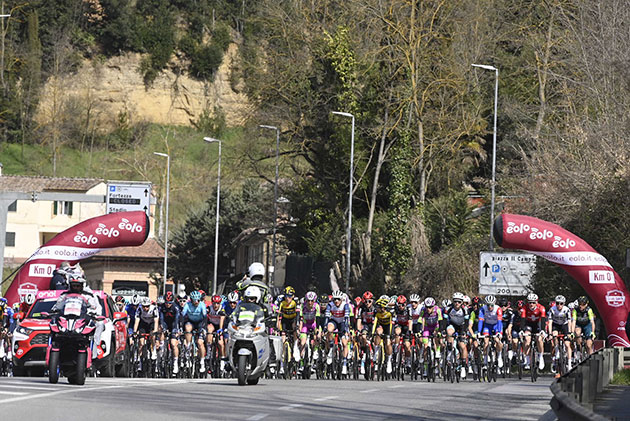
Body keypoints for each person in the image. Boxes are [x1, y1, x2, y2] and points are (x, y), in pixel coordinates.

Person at [325, 290, 351, 374]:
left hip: (342, 323)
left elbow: (347, 318)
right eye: (335, 299)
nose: (336, 301)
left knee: (344, 343)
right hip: (334, 321)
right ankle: (331, 348)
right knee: (329, 329)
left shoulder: (345, 305)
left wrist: (346, 330)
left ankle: (344, 363)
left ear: (341, 300)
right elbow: (327, 317)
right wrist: (325, 327)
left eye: (338, 299)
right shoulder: (330, 305)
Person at [181, 290, 208, 372]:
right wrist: (180, 327)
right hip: (191, 322)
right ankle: (188, 346)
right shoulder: (188, 305)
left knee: (200, 342)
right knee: (187, 327)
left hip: (200, 322)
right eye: (194, 300)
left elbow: (205, 318)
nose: (196, 302)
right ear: (191, 300)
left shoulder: (202, 305)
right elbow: (182, 316)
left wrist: (204, 328)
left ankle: (202, 362)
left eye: (198, 300)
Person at [520, 293, 546, 371]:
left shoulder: (541, 308)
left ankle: (541, 357)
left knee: (539, 339)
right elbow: (523, 320)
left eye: (533, 302)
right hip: (529, 324)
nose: (531, 304)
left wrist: (543, 330)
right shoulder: (524, 308)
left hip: (538, 324)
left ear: (536, 302)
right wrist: (522, 330)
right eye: (530, 302)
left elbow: (543, 320)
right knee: (527, 340)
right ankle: (527, 360)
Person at [477, 295, 504, 369]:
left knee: (497, 340)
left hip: (496, 326)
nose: (490, 307)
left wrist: (499, 332)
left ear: (494, 304)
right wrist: (479, 332)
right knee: (486, 341)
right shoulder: (483, 309)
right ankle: (485, 361)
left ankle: (499, 356)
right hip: (487, 326)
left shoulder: (498, 309)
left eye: (491, 305)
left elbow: (499, 321)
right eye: (488, 305)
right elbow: (480, 320)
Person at [548, 294, 573, 372]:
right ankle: (557, 350)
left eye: (561, 303)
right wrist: (550, 333)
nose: (559, 305)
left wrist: (570, 332)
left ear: (564, 304)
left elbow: (569, 322)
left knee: (567, 344)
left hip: (564, 325)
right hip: (556, 324)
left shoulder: (566, 310)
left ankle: (569, 363)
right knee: (555, 335)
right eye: (557, 303)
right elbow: (550, 322)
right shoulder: (552, 309)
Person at [133, 296, 160, 367]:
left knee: (153, 336)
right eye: (144, 306)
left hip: (151, 324)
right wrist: (135, 331)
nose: (145, 308)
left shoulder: (154, 308)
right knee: (141, 342)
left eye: (147, 306)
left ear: (150, 305)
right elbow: (137, 321)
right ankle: (139, 357)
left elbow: (156, 321)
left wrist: (155, 330)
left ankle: (153, 350)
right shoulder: (139, 309)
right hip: (143, 324)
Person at [159, 291, 181, 374]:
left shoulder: (175, 307)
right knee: (160, 331)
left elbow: (177, 319)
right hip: (165, 323)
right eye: (166, 303)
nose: (168, 304)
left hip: (173, 324)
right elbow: (161, 319)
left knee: (173, 344)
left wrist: (176, 330)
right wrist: (163, 328)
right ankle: (161, 351)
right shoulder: (161, 307)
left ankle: (175, 362)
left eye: (169, 303)